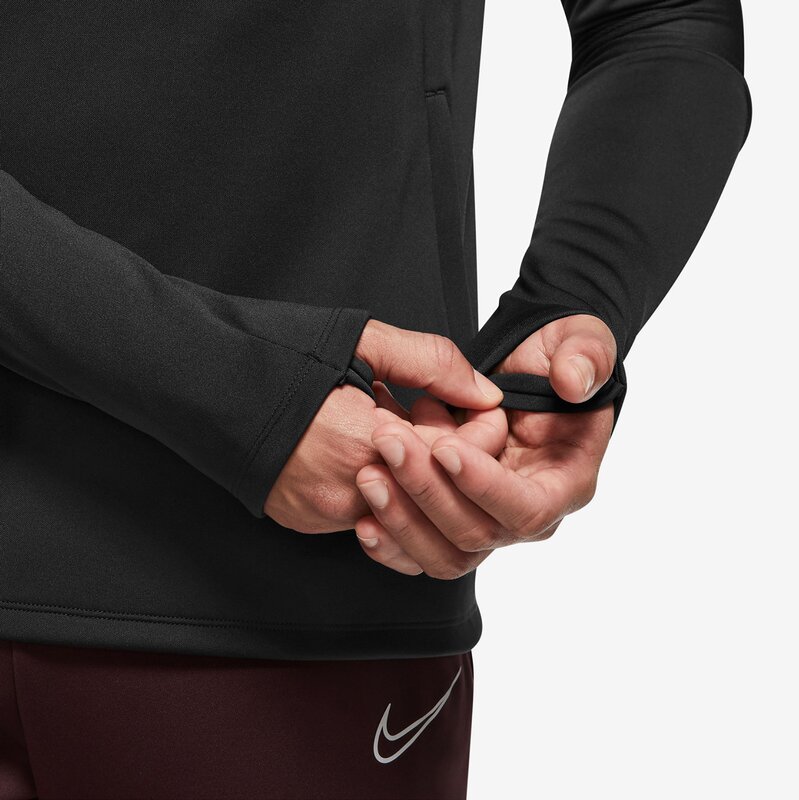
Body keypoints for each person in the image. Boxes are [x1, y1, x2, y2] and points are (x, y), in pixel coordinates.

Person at [0, 1, 751, 797]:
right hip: (309, 537)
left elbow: (660, 18)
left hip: (298, 596)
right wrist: (247, 397)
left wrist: (574, 300)